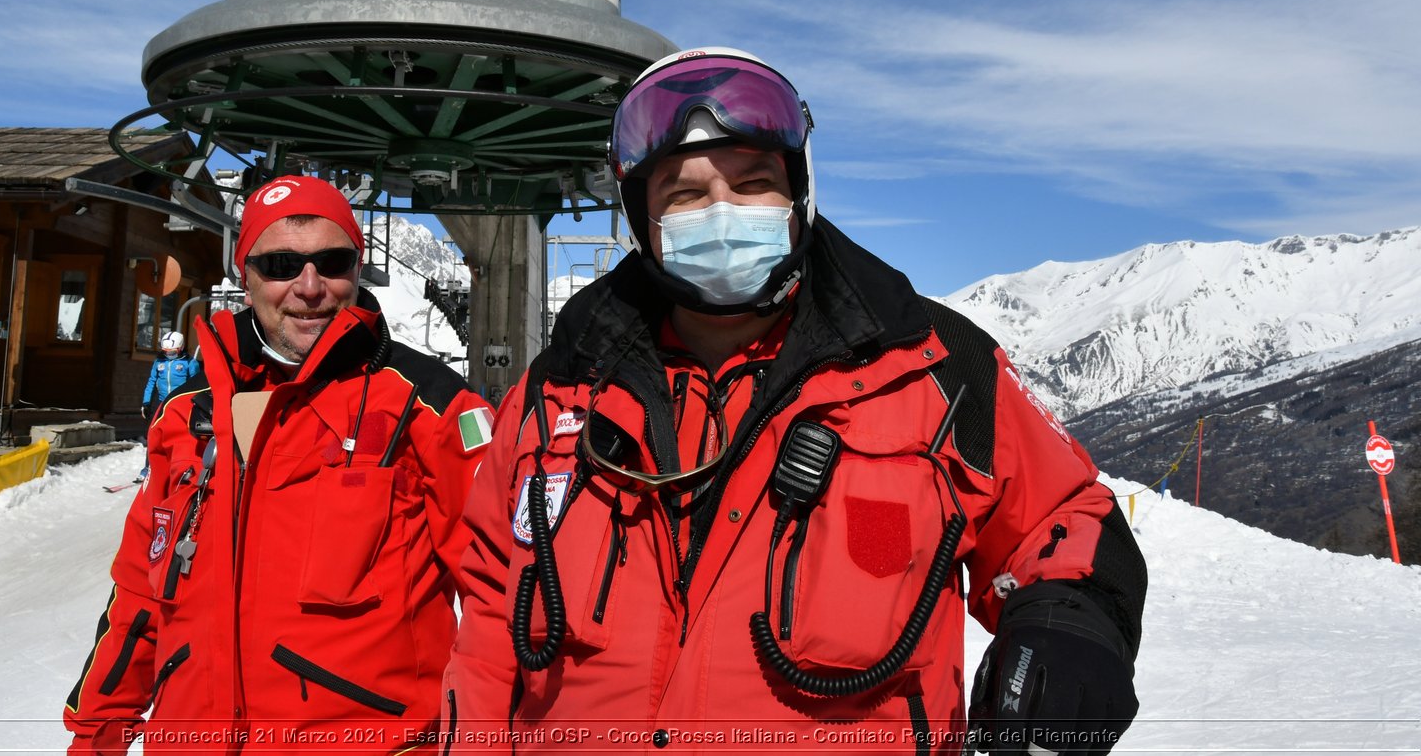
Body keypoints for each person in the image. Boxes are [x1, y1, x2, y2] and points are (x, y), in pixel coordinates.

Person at [444, 48, 1146, 755]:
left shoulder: (932, 365)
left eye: (752, 183)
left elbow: (1062, 518)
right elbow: (489, 617)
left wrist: (1070, 621)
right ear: (642, 218)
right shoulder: (560, 390)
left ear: (799, 193)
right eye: (684, 195)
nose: (721, 212)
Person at [66, 175, 494, 754]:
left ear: (357, 270)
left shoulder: (430, 408)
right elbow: (139, 598)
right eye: (281, 264)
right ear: (246, 279)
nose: (309, 286)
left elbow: (509, 600)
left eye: (333, 261)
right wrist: (98, 735)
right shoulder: (188, 419)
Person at [142, 331, 200, 423]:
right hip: (162, 401)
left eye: (172, 352)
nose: (169, 355)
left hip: (180, 402)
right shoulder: (159, 362)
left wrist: (194, 403)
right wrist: (146, 403)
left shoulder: (190, 362)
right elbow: (152, 382)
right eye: (165, 352)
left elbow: (196, 384)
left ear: (181, 348)